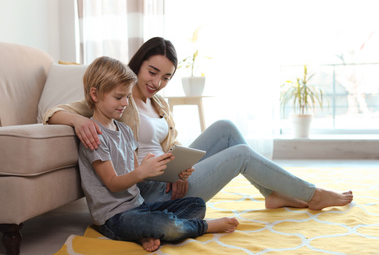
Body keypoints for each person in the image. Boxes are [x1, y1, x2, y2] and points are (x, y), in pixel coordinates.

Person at [44, 37, 353, 211]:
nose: (157, 82)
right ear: (137, 64)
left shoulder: (158, 103)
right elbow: (52, 110)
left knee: (226, 127)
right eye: (152, 72)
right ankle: (312, 195)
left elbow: (166, 146)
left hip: (169, 175)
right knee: (242, 154)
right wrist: (76, 121)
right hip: (147, 189)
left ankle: (272, 193)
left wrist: (180, 168)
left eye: (166, 77)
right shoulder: (118, 98)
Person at [78, 56, 239, 252]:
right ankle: (204, 227)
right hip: (114, 217)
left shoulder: (125, 130)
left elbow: (135, 175)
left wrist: (158, 170)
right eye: (119, 97)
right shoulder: (94, 136)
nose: (125, 103)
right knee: (164, 224)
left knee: (197, 205)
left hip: (139, 206)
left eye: (128, 97)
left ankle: (145, 234)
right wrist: (141, 172)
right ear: (95, 94)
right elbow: (112, 182)